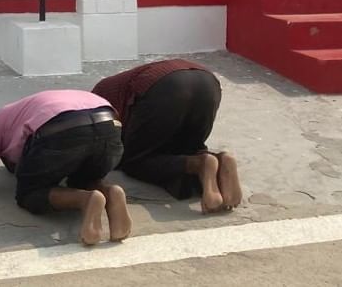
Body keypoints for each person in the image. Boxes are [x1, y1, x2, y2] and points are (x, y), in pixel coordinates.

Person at [0, 90, 131, 245]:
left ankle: (85, 200)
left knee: (30, 193)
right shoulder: (24, 110)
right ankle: (111, 192)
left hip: (60, 127)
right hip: (109, 124)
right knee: (82, 178)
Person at [92, 59, 242, 214]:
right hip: (207, 83)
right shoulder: (112, 86)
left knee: (134, 161)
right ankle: (221, 160)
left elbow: (109, 145)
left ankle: (200, 164)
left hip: (164, 87)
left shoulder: (97, 100)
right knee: (187, 148)